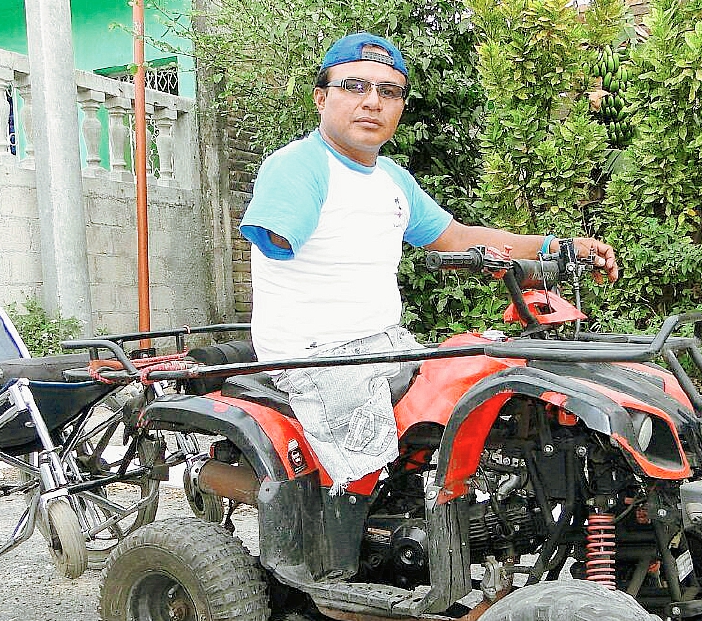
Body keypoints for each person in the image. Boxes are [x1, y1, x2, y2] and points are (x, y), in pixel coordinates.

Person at [239, 32, 619, 492]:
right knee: (367, 483)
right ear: (321, 98)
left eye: (388, 91)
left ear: (400, 106)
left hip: (386, 341)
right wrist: (284, 222)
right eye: (354, 87)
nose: (372, 102)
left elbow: (456, 238)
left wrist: (559, 247)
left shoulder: (392, 179)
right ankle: (328, 544)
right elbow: (275, 235)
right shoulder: (298, 166)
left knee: (477, 391)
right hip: (317, 357)